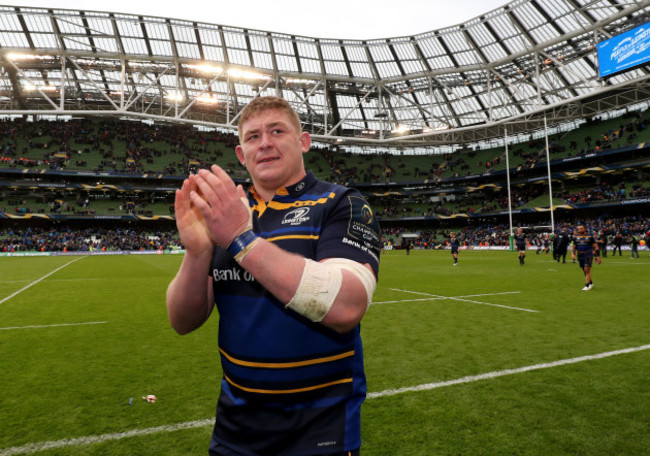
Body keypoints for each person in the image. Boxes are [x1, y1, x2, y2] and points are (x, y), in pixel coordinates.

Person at [166, 96, 381, 456]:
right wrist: (198, 250)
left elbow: (345, 305)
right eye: (252, 137)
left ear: (303, 142)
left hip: (319, 433)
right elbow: (182, 320)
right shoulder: (226, 211)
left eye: (276, 131)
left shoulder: (341, 202)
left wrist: (240, 240)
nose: (264, 143)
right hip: (235, 432)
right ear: (240, 153)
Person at [571, 224, 600, 291]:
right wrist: (573, 254)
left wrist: (598, 256)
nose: (580, 230)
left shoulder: (590, 236)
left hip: (588, 254)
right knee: (584, 270)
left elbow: (596, 246)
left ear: (584, 229)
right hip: (580, 255)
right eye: (579, 229)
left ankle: (587, 285)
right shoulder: (576, 237)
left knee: (587, 269)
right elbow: (574, 247)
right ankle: (590, 282)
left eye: (581, 228)